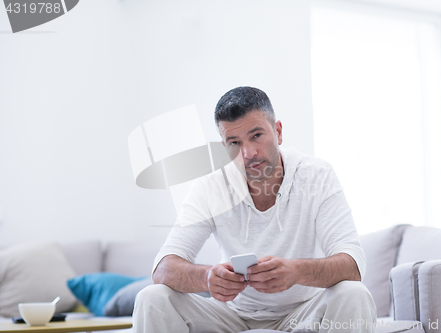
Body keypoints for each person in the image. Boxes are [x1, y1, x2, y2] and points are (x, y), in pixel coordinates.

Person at [133, 86, 377, 333]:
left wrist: (296, 272)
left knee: (353, 293)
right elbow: (163, 268)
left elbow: (353, 265)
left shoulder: (317, 175)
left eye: (256, 135)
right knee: (152, 297)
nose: (248, 153)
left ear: (278, 132)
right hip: (232, 316)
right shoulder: (211, 186)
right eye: (234, 143)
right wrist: (206, 277)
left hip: (304, 312)